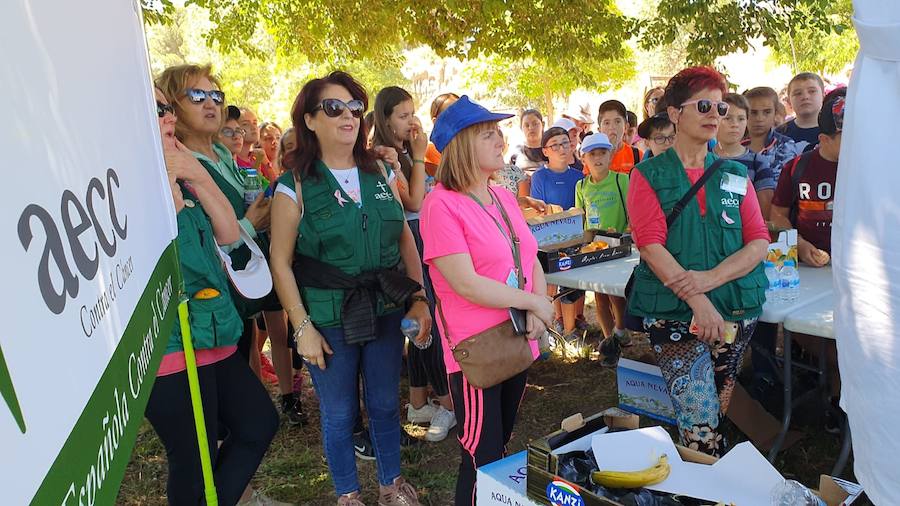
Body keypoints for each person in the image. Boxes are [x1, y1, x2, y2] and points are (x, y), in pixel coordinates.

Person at [269, 71, 431, 506]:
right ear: (309, 120)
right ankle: (348, 495)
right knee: (339, 412)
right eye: (334, 107)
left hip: (382, 307)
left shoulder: (378, 170)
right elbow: (280, 264)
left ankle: (391, 487)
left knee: (383, 403)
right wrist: (301, 326)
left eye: (355, 107)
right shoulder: (295, 185)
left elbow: (404, 239)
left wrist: (418, 298)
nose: (349, 115)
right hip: (327, 316)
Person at [626, 66, 770, 456]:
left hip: (735, 310)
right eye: (704, 105)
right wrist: (698, 301)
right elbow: (651, 246)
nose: (714, 115)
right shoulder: (647, 175)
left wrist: (710, 279)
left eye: (721, 108)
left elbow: (758, 241)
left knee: (717, 407)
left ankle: (708, 478)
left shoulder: (736, 173)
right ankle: (706, 484)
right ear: (674, 114)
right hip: (674, 314)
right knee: (700, 421)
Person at [147, 88, 281, 506]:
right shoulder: (122, 184)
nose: (167, 117)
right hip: (171, 342)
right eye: (154, 110)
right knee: (192, 458)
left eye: (167, 107)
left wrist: (198, 175)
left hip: (213, 331)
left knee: (258, 423)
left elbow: (228, 233)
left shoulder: (186, 169)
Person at [420, 95, 554, 506]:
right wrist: (534, 303)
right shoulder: (440, 205)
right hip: (477, 349)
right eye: (489, 133)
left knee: (499, 446)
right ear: (461, 144)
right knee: (481, 457)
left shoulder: (501, 196)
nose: (501, 140)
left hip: (515, 337)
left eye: (499, 131)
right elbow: (466, 284)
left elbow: (528, 255)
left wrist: (537, 301)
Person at [155, 65, 305, 427]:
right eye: (196, 96)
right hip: (209, 299)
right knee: (225, 419)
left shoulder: (224, 155)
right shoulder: (177, 162)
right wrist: (250, 224)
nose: (211, 104)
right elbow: (195, 234)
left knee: (248, 360)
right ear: (172, 107)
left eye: (215, 96)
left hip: (241, 288)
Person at [372, 86, 456, 443]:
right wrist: (419, 158)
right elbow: (414, 200)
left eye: (412, 113)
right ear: (385, 119)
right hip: (409, 241)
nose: (411, 122)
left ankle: (420, 399)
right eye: (403, 116)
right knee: (428, 321)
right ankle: (448, 404)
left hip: (420, 236)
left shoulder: (401, 151)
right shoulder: (383, 155)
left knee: (419, 323)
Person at [770, 88, 846, 429]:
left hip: (855, 274)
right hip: (809, 275)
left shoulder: (873, 168)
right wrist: (799, 245)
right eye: (846, 139)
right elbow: (778, 215)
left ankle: (842, 403)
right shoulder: (798, 167)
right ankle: (835, 400)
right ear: (823, 138)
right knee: (821, 340)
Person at [574, 133, 631, 366]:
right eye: (592, 154)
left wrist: (624, 232)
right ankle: (609, 342)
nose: (597, 159)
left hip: (619, 249)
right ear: (583, 158)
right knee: (599, 296)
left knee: (617, 295)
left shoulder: (621, 180)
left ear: (611, 154)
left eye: (602, 153)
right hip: (593, 251)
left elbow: (632, 214)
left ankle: (621, 329)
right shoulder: (581, 185)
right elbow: (581, 218)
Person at [530, 127, 587, 336]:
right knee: (554, 281)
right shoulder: (540, 177)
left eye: (565, 143)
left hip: (577, 236)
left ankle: (578, 317)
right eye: (555, 145)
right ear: (545, 151)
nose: (562, 149)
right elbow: (540, 209)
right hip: (550, 238)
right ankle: (557, 322)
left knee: (577, 280)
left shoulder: (579, 176)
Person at [714, 93, 777, 217]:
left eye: (741, 119)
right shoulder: (702, 159)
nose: (735, 124)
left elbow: (764, 212)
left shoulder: (758, 162)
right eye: (727, 118)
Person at [743, 87, 808, 188]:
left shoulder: (785, 146)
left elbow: (786, 185)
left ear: (775, 113)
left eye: (767, 112)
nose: (760, 118)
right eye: (753, 112)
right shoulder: (736, 144)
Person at [777, 72, 825, 147]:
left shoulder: (837, 132)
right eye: (798, 93)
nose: (805, 97)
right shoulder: (778, 135)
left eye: (812, 91)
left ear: (823, 95)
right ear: (789, 101)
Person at [597, 100, 642, 175]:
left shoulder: (637, 155)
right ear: (599, 130)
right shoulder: (593, 156)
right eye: (607, 123)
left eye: (617, 122)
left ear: (626, 127)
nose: (612, 127)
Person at [424, 93, 460, 175]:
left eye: (459, 110)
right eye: (449, 114)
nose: (457, 117)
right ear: (436, 122)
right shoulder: (433, 149)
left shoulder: (471, 144)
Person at [510, 109, 548, 184]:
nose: (531, 128)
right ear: (521, 128)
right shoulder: (516, 154)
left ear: (543, 125)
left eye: (535, 124)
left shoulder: (551, 151)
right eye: (526, 125)